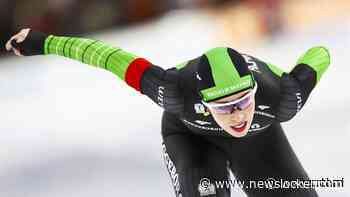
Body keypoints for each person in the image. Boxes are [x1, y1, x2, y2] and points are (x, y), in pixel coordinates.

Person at [6, 28, 330, 197]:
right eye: (223, 106)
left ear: (255, 92)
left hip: (260, 135)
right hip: (191, 135)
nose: (236, 115)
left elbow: (321, 52)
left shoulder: (283, 98)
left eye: (243, 101)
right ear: (205, 100)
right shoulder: (174, 90)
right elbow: (106, 56)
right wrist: (43, 42)